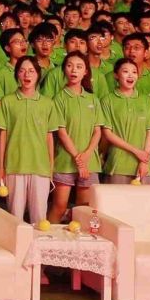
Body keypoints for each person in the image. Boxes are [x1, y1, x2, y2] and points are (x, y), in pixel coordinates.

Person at [0, 55, 60, 223]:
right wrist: (1, 166)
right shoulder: (7, 101)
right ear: (17, 74)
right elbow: (3, 136)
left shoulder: (47, 103)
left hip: (40, 167)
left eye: (31, 71)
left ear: (38, 75)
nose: (27, 75)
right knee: (14, 219)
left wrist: (50, 167)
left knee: (39, 219)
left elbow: (49, 137)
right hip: (14, 165)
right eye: (22, 71)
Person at [48, 52, 102, 225]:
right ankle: (48, 238)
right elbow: (61, 132)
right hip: (65, 161)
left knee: (84, 209)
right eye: (70, 66)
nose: (74, 70)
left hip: (89, 161)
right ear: (64, 69)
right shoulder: (59, 98)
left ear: (85, 72)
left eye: (79, 67)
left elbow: (98, 131)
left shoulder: (93, 99)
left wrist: (86, 156)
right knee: (59, 207)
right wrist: (78, 159)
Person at [98, 57, 150, 184]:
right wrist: (136, 152)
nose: (130, 75)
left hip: (143, 166)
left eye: (134, 72)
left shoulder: (146, 101)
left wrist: (144, 160)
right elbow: (108, 134)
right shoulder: (107, 100)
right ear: (116, 75)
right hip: (118, 164)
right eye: (125, 71)